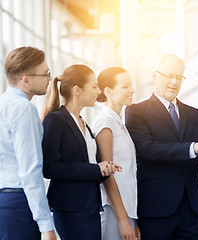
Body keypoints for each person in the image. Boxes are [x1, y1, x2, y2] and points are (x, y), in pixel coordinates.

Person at [125, 54, 198, 240]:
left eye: (179, 77)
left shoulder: (193, 113)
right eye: (168, 75)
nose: (173, 81)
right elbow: (148, 149)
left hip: (190, 209)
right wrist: (193, 148)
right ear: (155, 76)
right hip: (156, 209)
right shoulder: (136, 111)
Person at [42, 64, 121, 240]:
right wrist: (95, 169)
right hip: (71, 209)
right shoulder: (55, 121)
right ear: (77, 90)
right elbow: (50, 168)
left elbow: (90, 164)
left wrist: (105, 169)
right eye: (94, 86)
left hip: (90, 207)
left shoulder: (84, 124)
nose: (98, 91)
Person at [0, 47, 56, 240]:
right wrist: (46, 225)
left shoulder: (2, 104)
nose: (50, 79)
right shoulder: (24, 109)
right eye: (46, 74)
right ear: (26, 80)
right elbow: (30, 170)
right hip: (19, 203)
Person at [92, 67, 140, 240]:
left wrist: (132, 219)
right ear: (108, 91)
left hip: (126, 209)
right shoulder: (105, 122)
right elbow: (107, 174)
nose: (132, 90)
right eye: (125, 86)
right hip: (114, 210)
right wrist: (122, 220)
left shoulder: (118, 122)